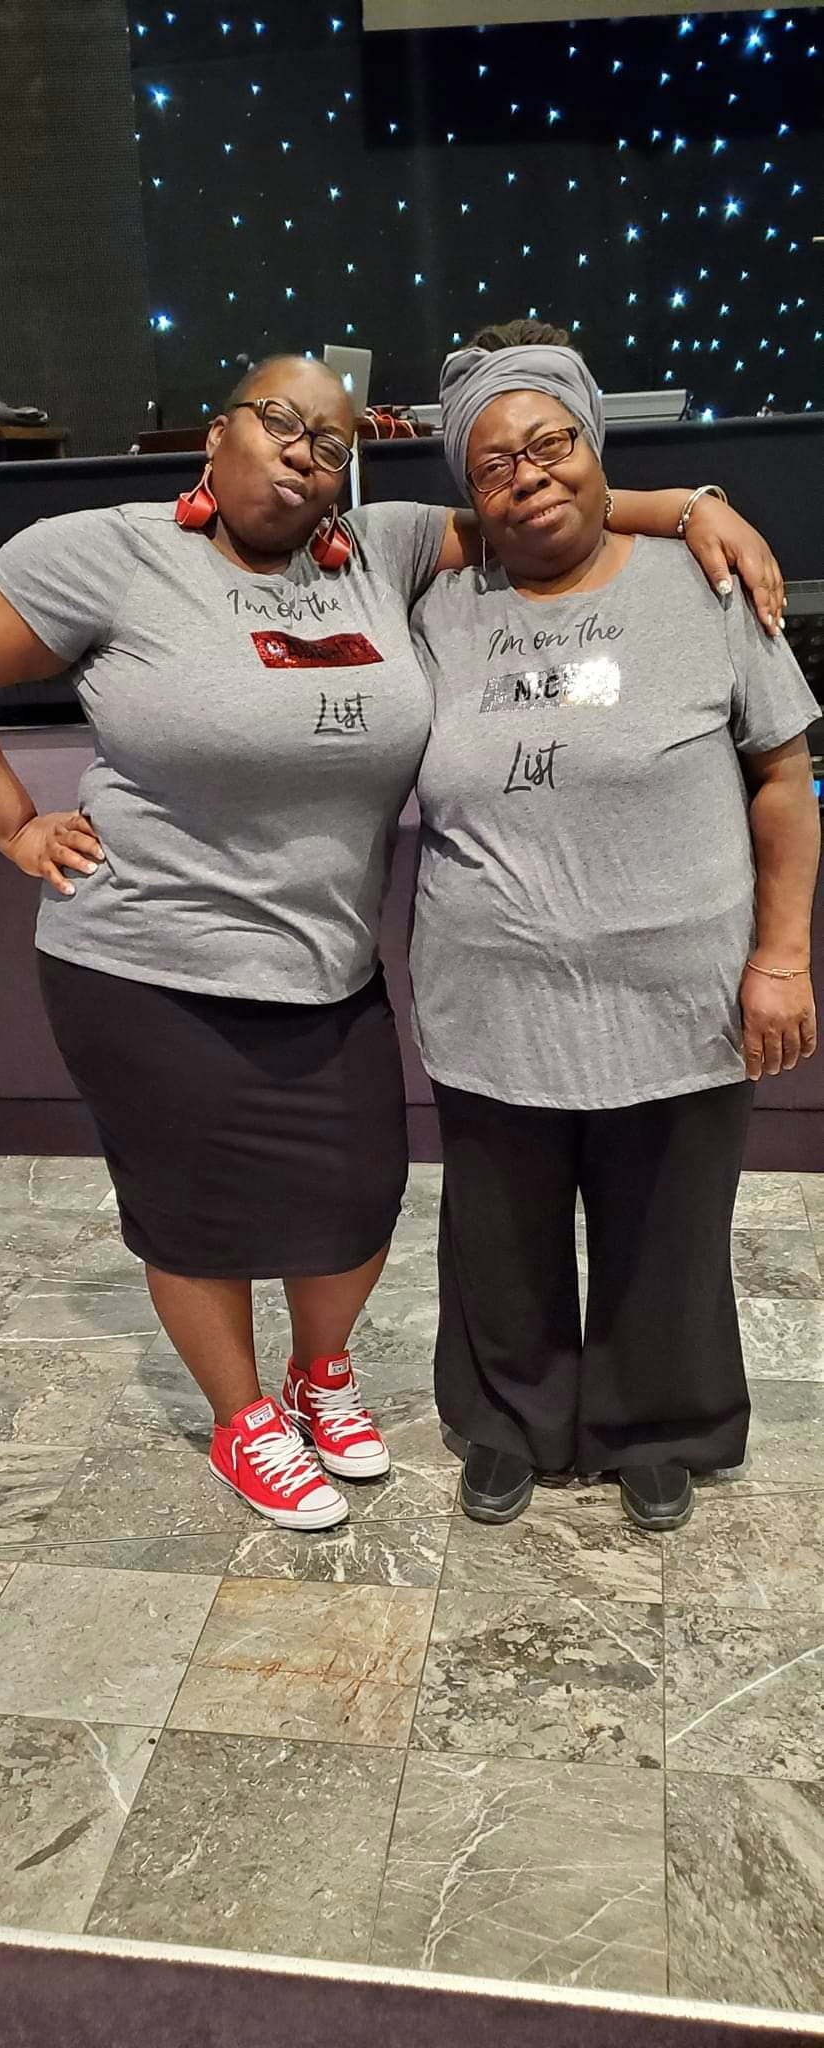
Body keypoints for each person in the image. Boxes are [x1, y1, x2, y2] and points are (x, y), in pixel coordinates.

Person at [0, 351, 786, 1534]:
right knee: (195, 1208)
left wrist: (691, 506)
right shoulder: (108, 550)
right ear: (217, 434)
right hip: (148, 957)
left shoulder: (378, 548)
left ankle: (323, 1375)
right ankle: (243, 1417)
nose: (305, 454)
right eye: (280, 423)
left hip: (327, 958)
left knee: (359, 1196)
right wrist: (12, 822)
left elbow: (535, 503)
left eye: (331, 440)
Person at [408, 341, 819, 1533]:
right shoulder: (435, 606)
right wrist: (688, 496)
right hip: (491, 990)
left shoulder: (702, 584)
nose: (528, 475)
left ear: (596, 448)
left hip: (676, 988)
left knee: (667, 1223)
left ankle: (657, 1422)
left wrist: (781, 955)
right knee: (499, 1231)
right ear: (469, 493)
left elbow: (782, 781)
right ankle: (512, 1418)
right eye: (494, 463)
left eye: (552, 444)